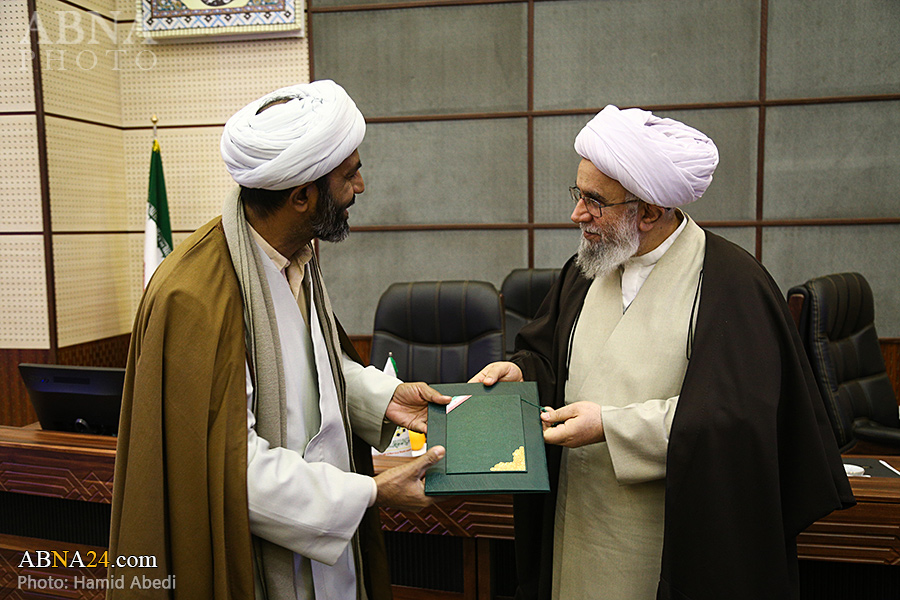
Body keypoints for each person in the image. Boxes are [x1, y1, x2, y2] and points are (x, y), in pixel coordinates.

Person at [471, 105, 854, 600]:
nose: (576, 214)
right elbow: (550, 361)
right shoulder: (585, 271)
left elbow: (738, 422)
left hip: (671, 542)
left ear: (649, 211)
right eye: (578, 194)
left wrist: (612, 427)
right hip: (575, 525)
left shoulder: (732, 284)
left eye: (594, 201)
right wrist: (520, 373)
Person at [108, 80, 449, 600]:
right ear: (301, 196)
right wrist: (370, 492)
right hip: (254, 565)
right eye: (349, 174)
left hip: (329, 549)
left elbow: (310, 369)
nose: (361, 187)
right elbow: (229, 468)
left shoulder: (295, 253)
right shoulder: (193, 295)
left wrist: (384, 400)